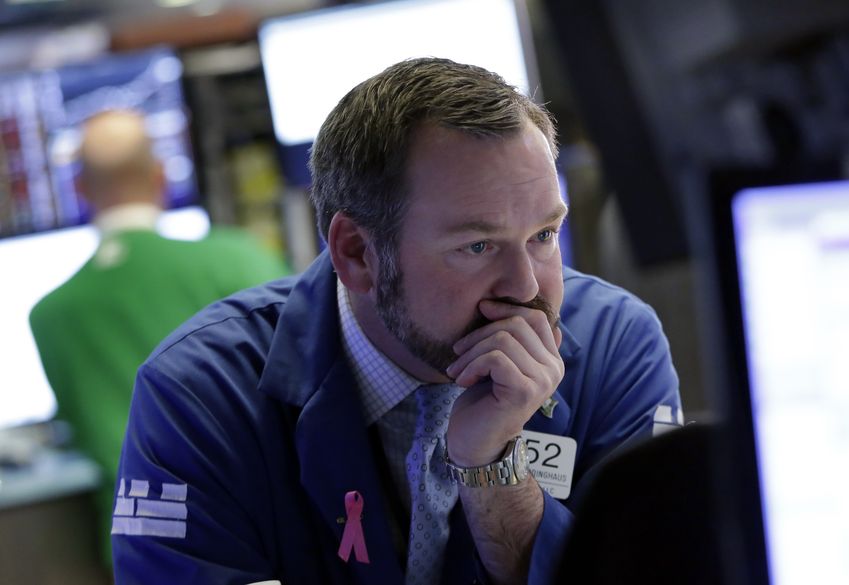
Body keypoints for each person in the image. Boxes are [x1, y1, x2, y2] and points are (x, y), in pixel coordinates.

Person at [111, 59, 682, 585]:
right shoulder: (200, 392)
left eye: (544, 235)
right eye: (477, 245)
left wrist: (494, 466)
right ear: (357, 253)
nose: (527, 288)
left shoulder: (614, 346)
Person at [29, 109, 290, 569]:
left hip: (145, 552)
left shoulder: (49, 316)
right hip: (266, 534)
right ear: (160, 176)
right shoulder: (241, 262)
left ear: (80, 189)